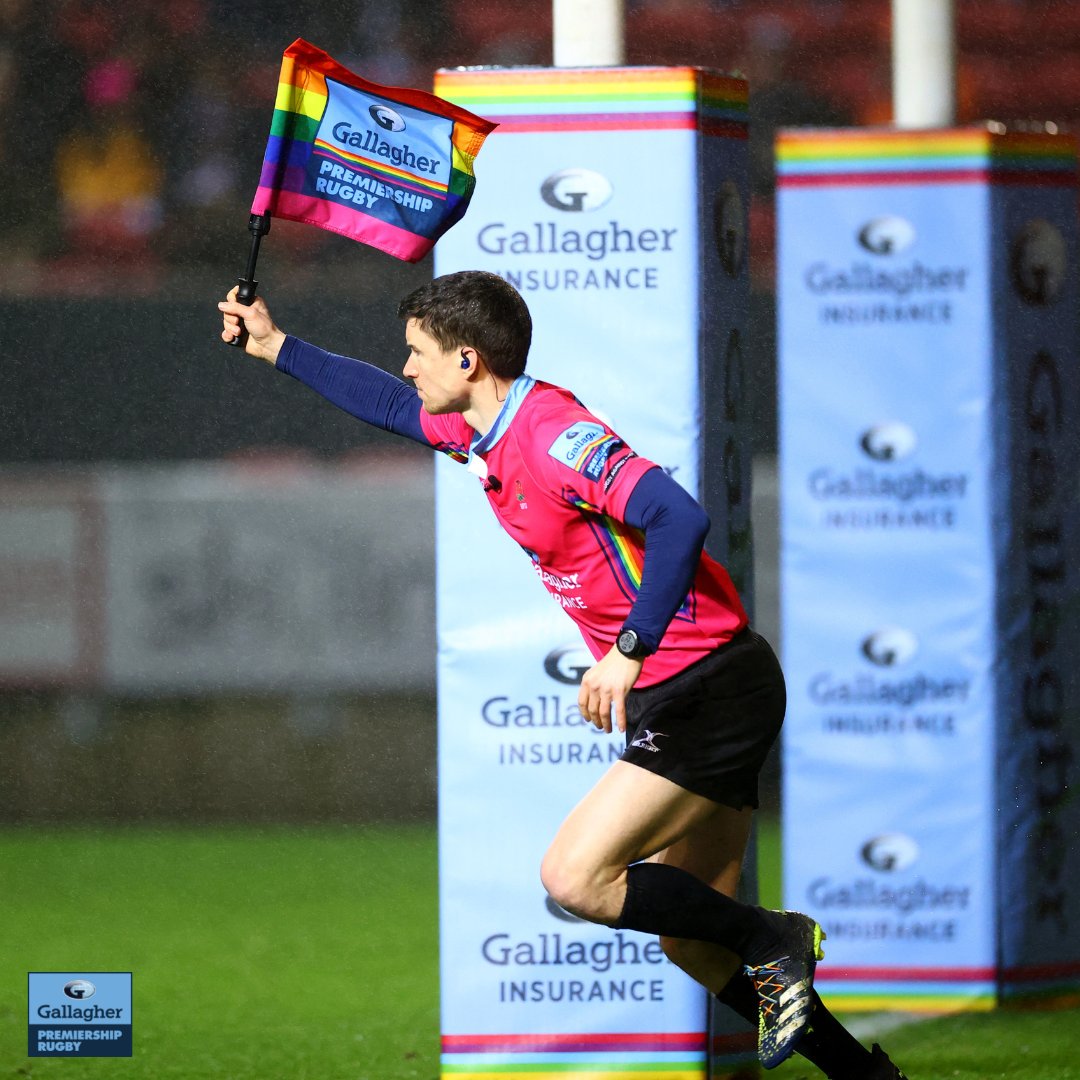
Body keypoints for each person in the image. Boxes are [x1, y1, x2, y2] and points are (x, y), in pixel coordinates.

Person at [218, 271, 909, 1079]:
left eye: (417, 352)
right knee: (691, 939)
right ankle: (863, 1076)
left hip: (711, 686)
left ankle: (774, 937)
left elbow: (679, 517)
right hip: (696, 688)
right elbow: (384, 403)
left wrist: (629, 646)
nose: (406, 367)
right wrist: (275, 346)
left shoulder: (550, 432)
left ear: (468, 359)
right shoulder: (477, 431)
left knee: (574, 877)